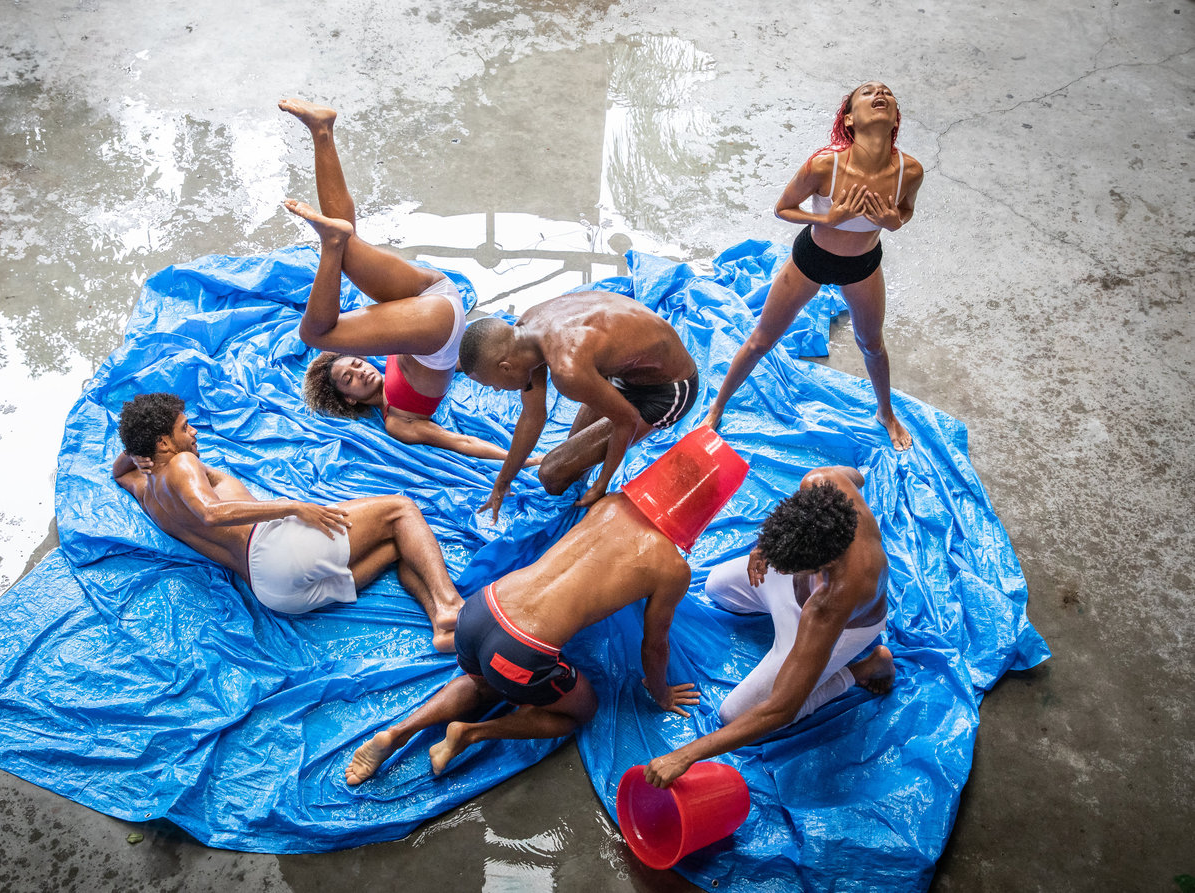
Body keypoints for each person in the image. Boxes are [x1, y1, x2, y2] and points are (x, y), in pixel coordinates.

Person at [344, 489, 701, 785]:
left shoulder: (613, 502)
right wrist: (661, 693)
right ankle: (469, 734)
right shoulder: (673, 568)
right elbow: (655, 645)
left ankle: (396, 733)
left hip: (482, 609)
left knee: (484, 683)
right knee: (583, 709)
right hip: (521, 650)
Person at [280, 99, 532, 465]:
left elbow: (461, 361)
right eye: (349, 379)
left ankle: (322, 130)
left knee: (349, 246)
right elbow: (459, 442)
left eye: (353, 363)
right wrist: (523, 460)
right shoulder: (399, 421)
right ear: (349, 399)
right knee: (314, 334)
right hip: (439, 324)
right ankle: (329, 244)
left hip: (433, 293)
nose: (359, 369)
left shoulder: (388, 347)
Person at [112, 392, 463, 652]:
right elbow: (210, 512)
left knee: (399, 546)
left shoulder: (147, 493)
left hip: (272, 593)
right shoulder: (182, 464)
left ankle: (440, 625)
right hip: (276, 548)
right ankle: (450, 603)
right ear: (163, 443)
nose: (194, 433)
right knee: (402, 510)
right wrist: (290, 507)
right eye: (184, 427)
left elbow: (120, 472)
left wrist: (139, 447)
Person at [702, 82, 924, 451]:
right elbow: (782, 208)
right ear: (850, 119)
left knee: (871, 345)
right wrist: (829, 218)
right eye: (867, 93)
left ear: (895, 117)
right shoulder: (825, 165)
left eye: (885, 91)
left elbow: (906, 212)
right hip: (811, 259)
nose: (879, 93)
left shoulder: (910, 171)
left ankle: (885, 413)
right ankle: (717, 406)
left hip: (863, 266)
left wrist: (892, 222)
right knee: (761, 340)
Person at [642, 466, 896, 787]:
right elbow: (856, 476)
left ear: (822, 565)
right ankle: (777, 579)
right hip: (797, 586)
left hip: (840, 628)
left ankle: (867, 668)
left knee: (733, 715)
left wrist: (686, 754)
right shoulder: (820, 483)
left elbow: (781, 709)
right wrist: (763, 547)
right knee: (716, 587)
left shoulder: (834, 601)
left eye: (788, 564)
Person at [458, 292, 699, 519]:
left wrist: (601, 484)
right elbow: (532, 416)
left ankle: (586, 492)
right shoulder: (526, 330)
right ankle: (578, 479)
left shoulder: (567, 370)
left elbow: (627, 420)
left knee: (552, 474)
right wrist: (502, 482)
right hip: (628, 370)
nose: (497, 390)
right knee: (569, 465)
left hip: (669, 388)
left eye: (493, 385)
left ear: (505, 368)